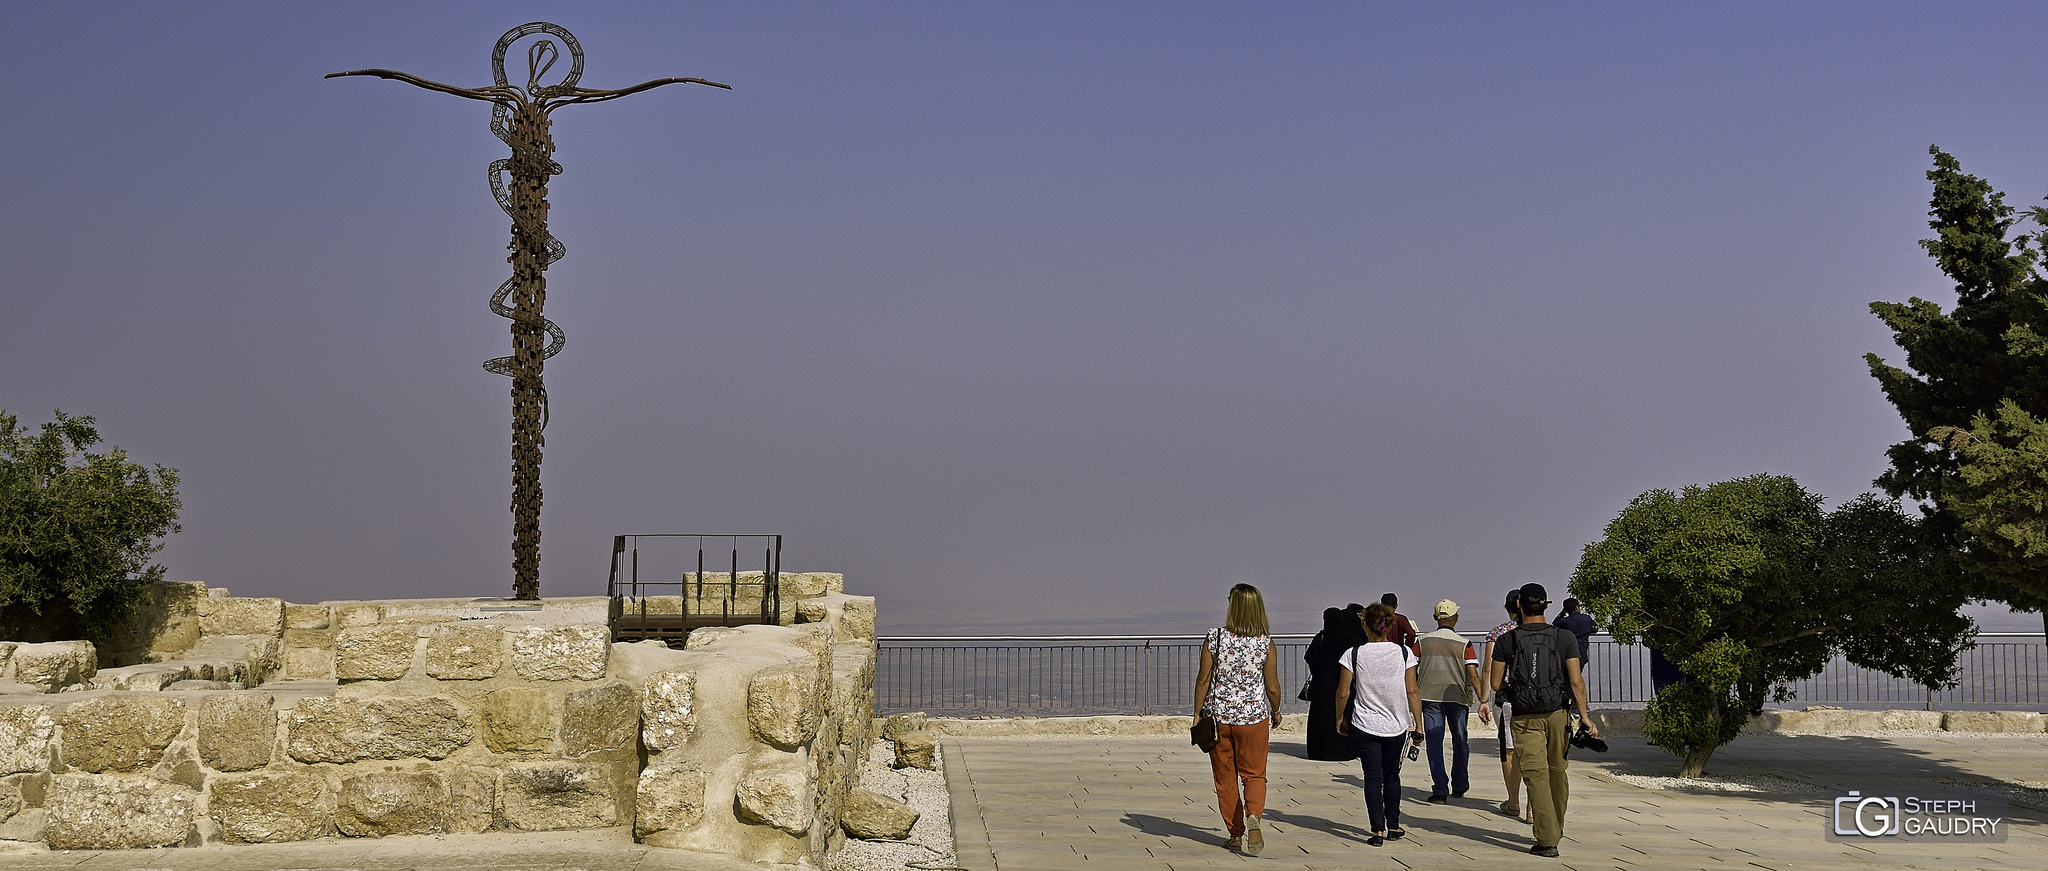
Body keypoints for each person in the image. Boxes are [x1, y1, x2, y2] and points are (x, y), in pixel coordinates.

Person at [1490, 583, 1599, 859]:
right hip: (1558, 713)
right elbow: (1576, 682)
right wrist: (1584, 717)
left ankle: (1547, 839)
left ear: (1519, 606)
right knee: (1557, 772)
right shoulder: (1564, 637)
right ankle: (1556, 829)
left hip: (1525, 716)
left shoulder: (1507, 640)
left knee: (1535, 774)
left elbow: (1494, 682)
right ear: (1546, 606)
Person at [1194, 583, 1281, 855]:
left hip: (1219, 717)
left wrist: (1197, 713)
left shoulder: (1215, 638)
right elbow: (1273, 686)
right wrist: (1275, 710)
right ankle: (1253, 814)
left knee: (1225, 778)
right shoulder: (1265, 642)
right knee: (1254, 774)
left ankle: (1234, 834)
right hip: (1253, 718)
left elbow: (1203, 679)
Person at [1332, 602, 1424, 847]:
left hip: (1364, 724)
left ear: (1365, 625)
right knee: (1392, 776)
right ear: (1389, 625)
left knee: (1372, 777)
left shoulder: (1353, 654)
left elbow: (1343, 692)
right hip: (1396, 725)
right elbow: (1412, 691)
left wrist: (1340, 718)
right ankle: (1393, 825)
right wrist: (1419, 726)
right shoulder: (1405, 653)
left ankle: (1377, 831)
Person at [1416, 599, 1485, 804]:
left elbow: (1411, 669)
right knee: (1460, 740)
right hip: (1457, 697)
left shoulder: (1421, 642)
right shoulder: (1465, 644)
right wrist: (1483, 699)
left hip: (1429, 697)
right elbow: (1473, 675)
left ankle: (1439, 790)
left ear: (1435, 618)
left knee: (1434, 743)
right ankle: (1460, 784)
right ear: (1456, 618)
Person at [1303, 607, 1365, 762]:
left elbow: (1309, 657)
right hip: (1344, 684)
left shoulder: (1321, 638)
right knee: (1344, 714)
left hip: (1322, 686)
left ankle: (1319, 751)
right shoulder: (1350, 638)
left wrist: (1319, 669)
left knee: (1321, 719)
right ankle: (1344, 750)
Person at [1482, 590, 1523, 819]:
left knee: (1509, 750)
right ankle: (1532, 806)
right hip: (1535, 699)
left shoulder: (1498, 633)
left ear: (1508, 608)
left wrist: (1484, 700)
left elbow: (1488, 667)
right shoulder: (1539, 632)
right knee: (1532, 751)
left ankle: (1514, 801)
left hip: (1506, 697)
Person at [1555, 598, 1596, 672]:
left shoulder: (1565, 622)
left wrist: (1562, 613)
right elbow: (1595, 628)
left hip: (1568, 654)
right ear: (1577, 607)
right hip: (1582, 653)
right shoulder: (1586, 619)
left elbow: (1555, 623)